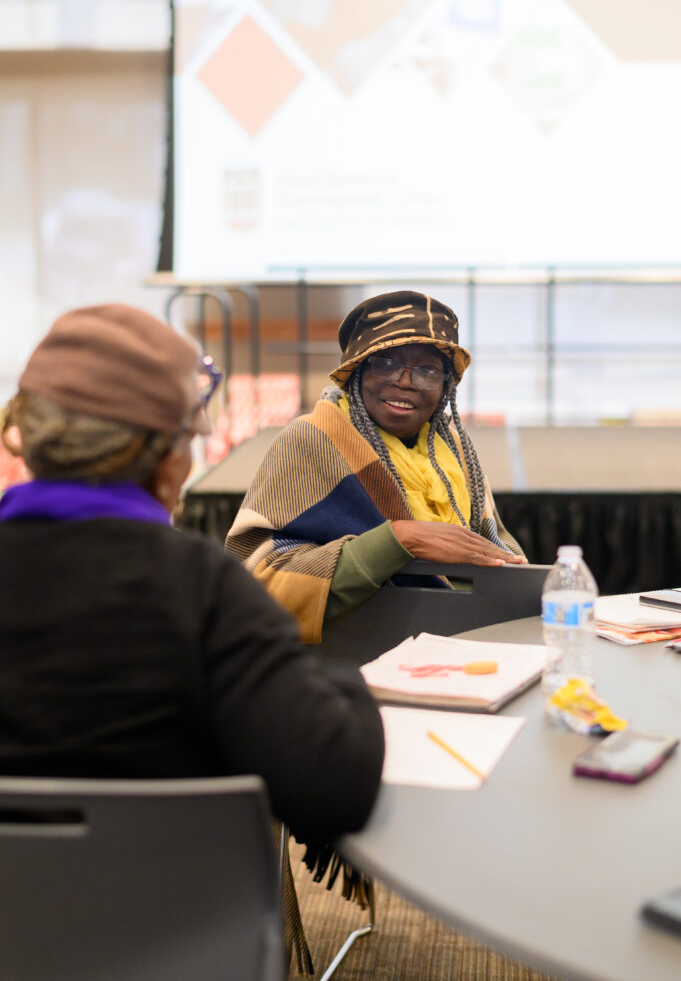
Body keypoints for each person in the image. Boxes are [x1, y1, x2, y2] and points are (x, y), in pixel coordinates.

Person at [0, 304, 384, 850]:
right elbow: (337, 789)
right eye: (188, 436)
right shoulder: (202, 588)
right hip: (178, 927)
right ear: (161, 456)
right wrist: (344, 675)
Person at [227, 290, 525, 643]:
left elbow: (500, 558)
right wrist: (399, 540)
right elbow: (256, 582)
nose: (404, 381)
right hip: (350, 660)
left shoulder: (454, 449)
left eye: (427, 370)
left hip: (463, 650)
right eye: (384, 362)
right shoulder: (311, 440)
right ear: (356, 372)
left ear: (446, 388)